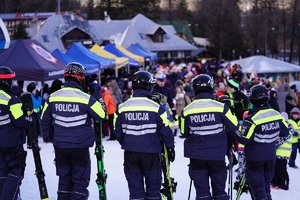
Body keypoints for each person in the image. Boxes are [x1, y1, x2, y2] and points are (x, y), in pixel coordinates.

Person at [40, 62, 106, 199]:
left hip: (61, 147)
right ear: (80, 78)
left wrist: (53, 137)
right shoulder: (86, 98)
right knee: (80, 183)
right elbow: (102, 115)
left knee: (64, 182)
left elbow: (43, 121)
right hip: (80, 147)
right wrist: (97, 95)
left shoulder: (53, 97)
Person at [114, 71, 175, 200]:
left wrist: (128, 142)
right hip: (151, 154)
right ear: (149, 86)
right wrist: (170, 148)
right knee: (153, 191)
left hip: (130, 154)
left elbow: (117, 131)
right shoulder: (157, 108)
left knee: (136, 192)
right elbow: (166, 131)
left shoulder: (122, 108)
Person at [180, 74, 239, 200]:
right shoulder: (221, 107)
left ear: (194, 89)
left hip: (197, 156)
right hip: (217, 155)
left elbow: (183, 132)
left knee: (202, 194)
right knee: (220, 192)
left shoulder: (187, 110)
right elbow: (234, 125)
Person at [232, 85, 290, 200]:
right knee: (265, 187)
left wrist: (236, 129)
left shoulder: (252, 118)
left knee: (258, 188)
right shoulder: (276, 114)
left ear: (253, 99)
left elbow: (244, 139)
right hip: (271, 157)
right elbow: (285, 133)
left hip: (255, 158)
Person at [0, 66, 32, 200]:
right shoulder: (11, 100)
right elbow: (20, 121)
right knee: (16, 173)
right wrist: (30, 116)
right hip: (12, 144)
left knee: (2, 175)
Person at [271, 112, 292, 190]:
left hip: (283, 153)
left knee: (282, 169)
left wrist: (273, 144)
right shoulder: (280, 127)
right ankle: (275, 182)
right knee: (276, 168)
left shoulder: (288, 128)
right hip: (277, 152)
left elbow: (282, 139)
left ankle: (283, 184)